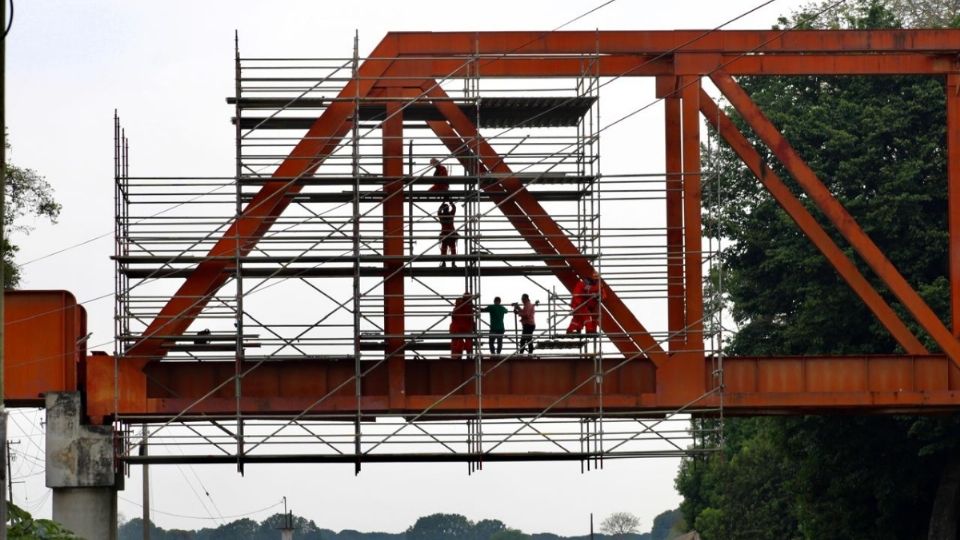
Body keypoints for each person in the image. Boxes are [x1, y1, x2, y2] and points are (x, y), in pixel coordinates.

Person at [567, 270, 606, 334]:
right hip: (581, 303)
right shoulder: (585, 284)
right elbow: (586, 291)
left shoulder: (597, 285)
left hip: (588, 303)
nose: (595, 280)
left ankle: (573, 330)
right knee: (585, 316)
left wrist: (599, 297)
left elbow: (603, 294)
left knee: (579, 317)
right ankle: (589, 330)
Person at [450, 292, 475, 360]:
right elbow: (471, 318)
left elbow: (453, 316)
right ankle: (468, 355)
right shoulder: (468, 307)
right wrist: (474, 327)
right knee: (467, 342)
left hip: (457, 327)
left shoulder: (458, 305)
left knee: (458, 342)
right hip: (465, 327)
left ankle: (457, 357)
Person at [437, 200, 459, 267]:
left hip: (446, 234)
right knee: (450, 249)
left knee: (445, 249)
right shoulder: (450, 215)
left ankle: (446, 263)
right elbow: (454, 208)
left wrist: (443, 203)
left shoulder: (442, 216)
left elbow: (439, 211)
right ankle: (451, 263)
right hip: (450, 234)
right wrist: (450, 202)